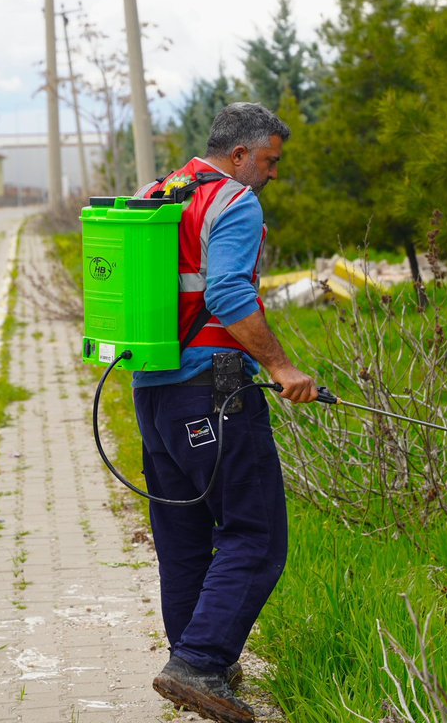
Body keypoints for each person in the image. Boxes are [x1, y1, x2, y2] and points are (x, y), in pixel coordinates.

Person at [132, 102, 318, 723]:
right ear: (239, 156)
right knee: (255, 535)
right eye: (268, 161)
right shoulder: (233, 203)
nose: (271, 174)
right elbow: (229, 293)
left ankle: (198, 668)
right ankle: (202, 663)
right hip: (213, 391)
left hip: (151, 392)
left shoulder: (156, 193)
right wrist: (282, 368)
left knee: (182, 540)